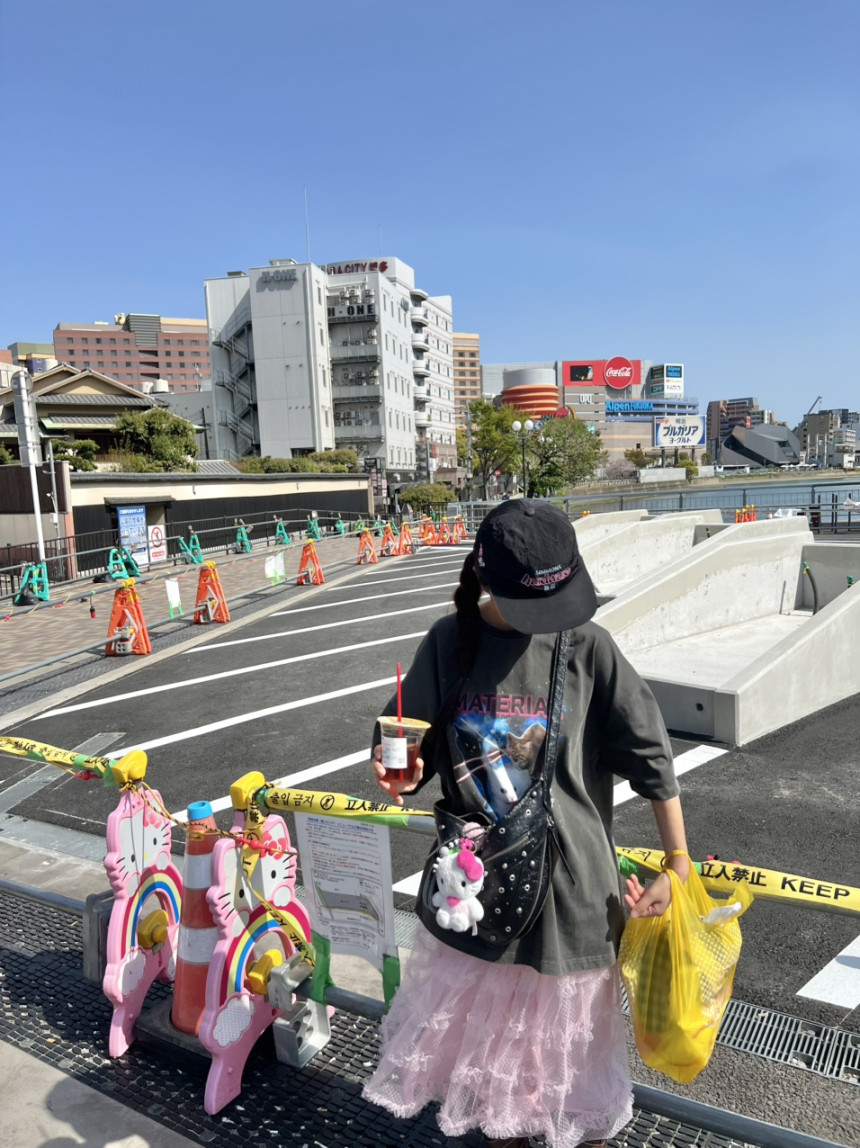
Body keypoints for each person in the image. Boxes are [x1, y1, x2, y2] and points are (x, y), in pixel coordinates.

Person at [363, 499, 690, 1148]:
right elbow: (405, 746)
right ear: (487, 578)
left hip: (573, 912)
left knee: (578, 1100)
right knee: (498, 1102)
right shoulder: (448, 642)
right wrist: (397, 771)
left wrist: (678, 861)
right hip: (477, 905)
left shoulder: (588, 647)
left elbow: (652, 754)